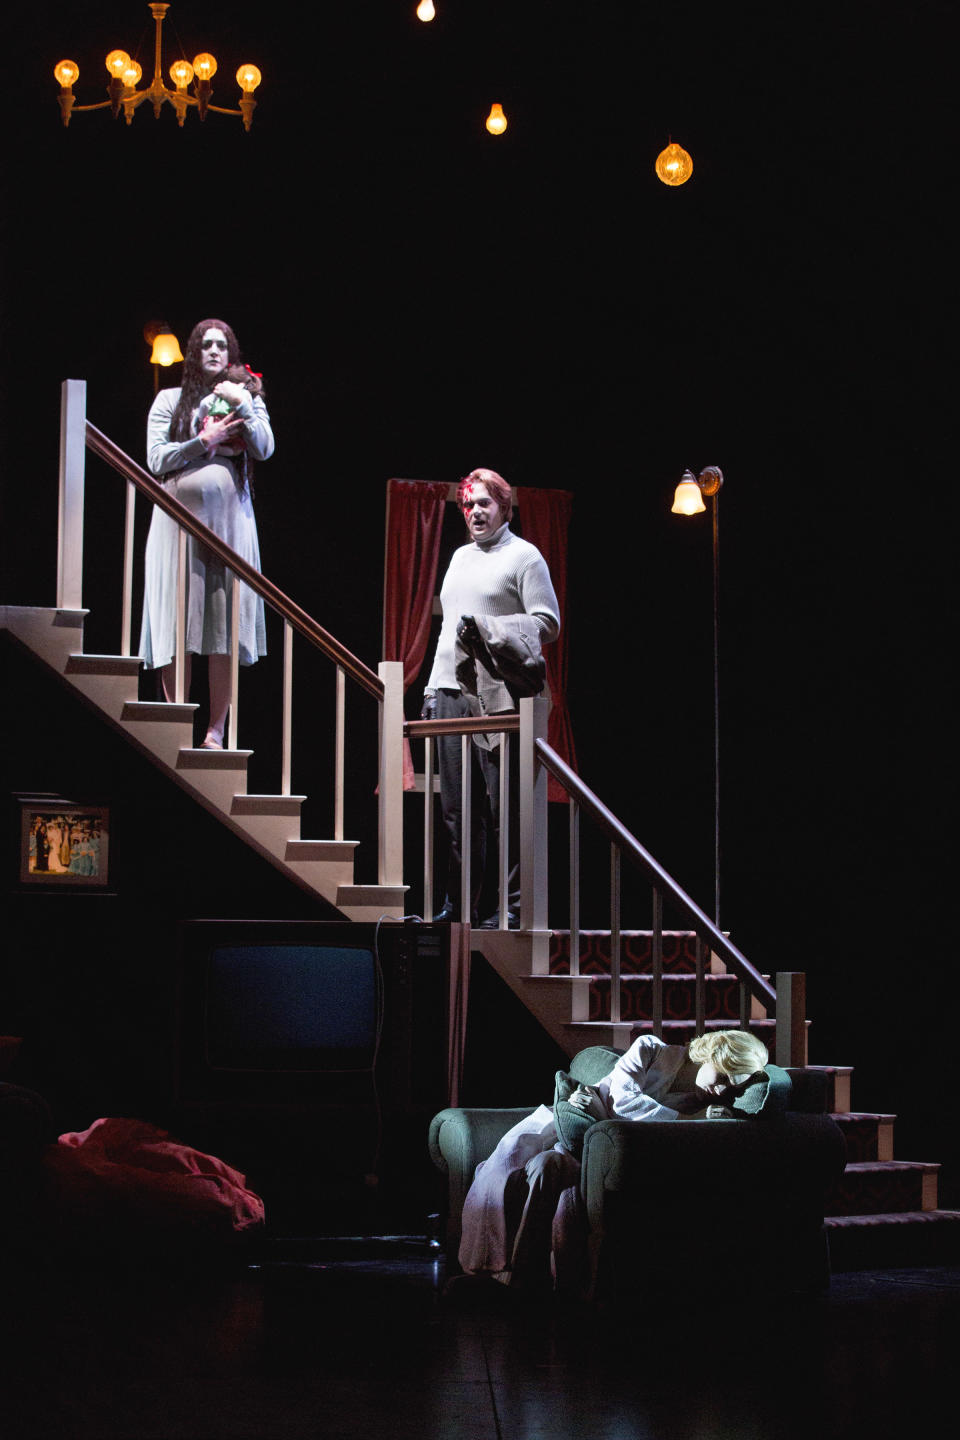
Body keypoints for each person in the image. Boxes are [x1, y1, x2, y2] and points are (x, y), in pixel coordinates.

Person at [456, 1029, 770, 1293]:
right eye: (724, 1074)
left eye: (732, 1086)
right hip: (564, 1124)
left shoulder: (701, 1107)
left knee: (546, 1167)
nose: (722, 1088)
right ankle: (483, 1270)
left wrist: (601, 1114)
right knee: (507, 1161)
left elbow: (625, 1124)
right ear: (714, 1053)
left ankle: (510, 1278)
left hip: (595, 1147)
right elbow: (625, 1101)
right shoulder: (649, 1049)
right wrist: (609, 1114)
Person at [421, 469, 560, 927]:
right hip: (449, 691)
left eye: (484, 503)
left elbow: (547, 623)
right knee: (458, 811)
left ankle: (513, 910)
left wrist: (492, 629)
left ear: (504, 506)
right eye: (468, 505)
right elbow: (448, 626)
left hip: (496, 697)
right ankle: (460, 905)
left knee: (505, 808)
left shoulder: (524, 556)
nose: (475, 512)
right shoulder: (459, 557)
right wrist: (430, 684)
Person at [139, 319, 274, 750]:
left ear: (231, 353)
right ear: (194, 352)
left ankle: (215, 730)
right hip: (176, 525)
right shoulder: (169, 399)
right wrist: (203, 441)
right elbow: (157, 459)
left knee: (223, 625)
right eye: (206, 344)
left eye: (222, 345)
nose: (214, 351)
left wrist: (245, 405)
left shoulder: (247, 398)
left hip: (230, 525)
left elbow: (265, 448)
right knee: (178, 618)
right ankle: (178, 716)